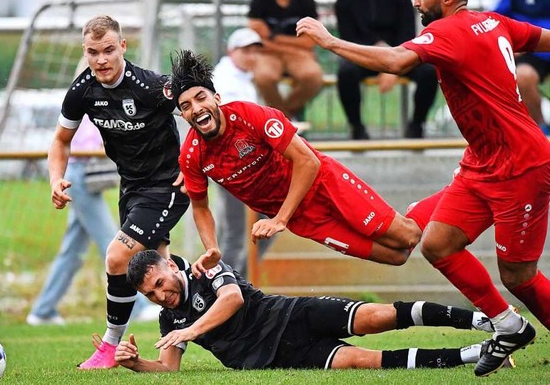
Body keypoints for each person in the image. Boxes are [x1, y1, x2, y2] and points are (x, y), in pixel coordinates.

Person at [296, 0, 550, 377]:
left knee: (519, 276)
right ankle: (509, 326)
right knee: (436, 244)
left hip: (521, 166)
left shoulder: (448, 31)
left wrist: (329, 41)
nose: (415, 0)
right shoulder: (492, 21)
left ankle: (511, 324)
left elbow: (397, 62)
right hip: (482, 164)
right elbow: (542, 39)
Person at [170, 49, 441, 277]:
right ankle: (431, 204)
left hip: (324, 184)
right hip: (304, 219)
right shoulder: (193, 154)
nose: (195, 108)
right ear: (183, 115)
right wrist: (211, 248)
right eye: (186, 106)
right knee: (397, 257)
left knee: (407, 236)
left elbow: (307, 161)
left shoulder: (251, 116)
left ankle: (455, 191)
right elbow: (201, 207)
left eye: (200, 97)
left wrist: (279, 219)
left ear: (216, 98)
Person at [49, 15, 190, 369]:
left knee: (117, 257)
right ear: (86, 51)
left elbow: (199, 112)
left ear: (123, 47)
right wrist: (56, 179)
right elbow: (60, 140)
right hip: (132, 188)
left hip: (167, 186)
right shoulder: (82, 90)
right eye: (93, 52)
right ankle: (180, 344)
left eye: (109, 50)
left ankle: (109, 346)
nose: (101, 60)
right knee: (161, 271)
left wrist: (195, 168)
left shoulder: (150, 86)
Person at [114, 250, 503, 372]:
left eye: (159, 285)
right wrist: (138, 365)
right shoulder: (170, 320)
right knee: (361, 361)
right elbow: (169, 369)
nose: (160, 296)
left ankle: (480, 320)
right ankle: (473, 355)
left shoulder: (206, 268)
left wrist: (192, 331)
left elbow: (231, 299)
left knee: (377, 317)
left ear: (168, 267)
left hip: (290, 315)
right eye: (150, 295)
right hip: (277, 357)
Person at [27, 116, 119, 326]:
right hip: (79, 176)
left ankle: (43, 311)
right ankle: (137, 304)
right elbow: (84, 140)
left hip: (81, 174)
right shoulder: (85, 96)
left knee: (72, 251)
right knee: (113, 244)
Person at [335, 0, 438, 139]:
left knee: (429, 72)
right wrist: (379, 53)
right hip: (363, 56)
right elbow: (348, 37)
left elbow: (407, 31)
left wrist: (392, 65)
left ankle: (417, 125)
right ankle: (357, 128)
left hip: (399, 53)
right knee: (345, 72)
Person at [212, 27, 274, 276]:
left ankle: (232, 281)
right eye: (245, 50)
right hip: (231, 165)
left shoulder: (240, 78)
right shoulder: (224, 81)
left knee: (246, 227)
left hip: (243, 165)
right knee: (237, 230)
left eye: (255, 51)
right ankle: (225, 285)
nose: (251, 56)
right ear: (232, 51)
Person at [247, 0, 324, 120]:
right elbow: (255, 41)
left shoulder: (306, 2)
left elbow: (309, 42)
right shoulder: (260, 0)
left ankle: (281, 118)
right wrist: (295, 45)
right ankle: (284, 121)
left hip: (296, 55)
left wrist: (271, 37)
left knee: (314, 76)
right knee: (263, 77)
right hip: (270, 55)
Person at [492, 0, 550, 134]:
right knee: (523, 76)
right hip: (532, 53)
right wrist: (510, 46)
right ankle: (540, 131)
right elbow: (491, 24)